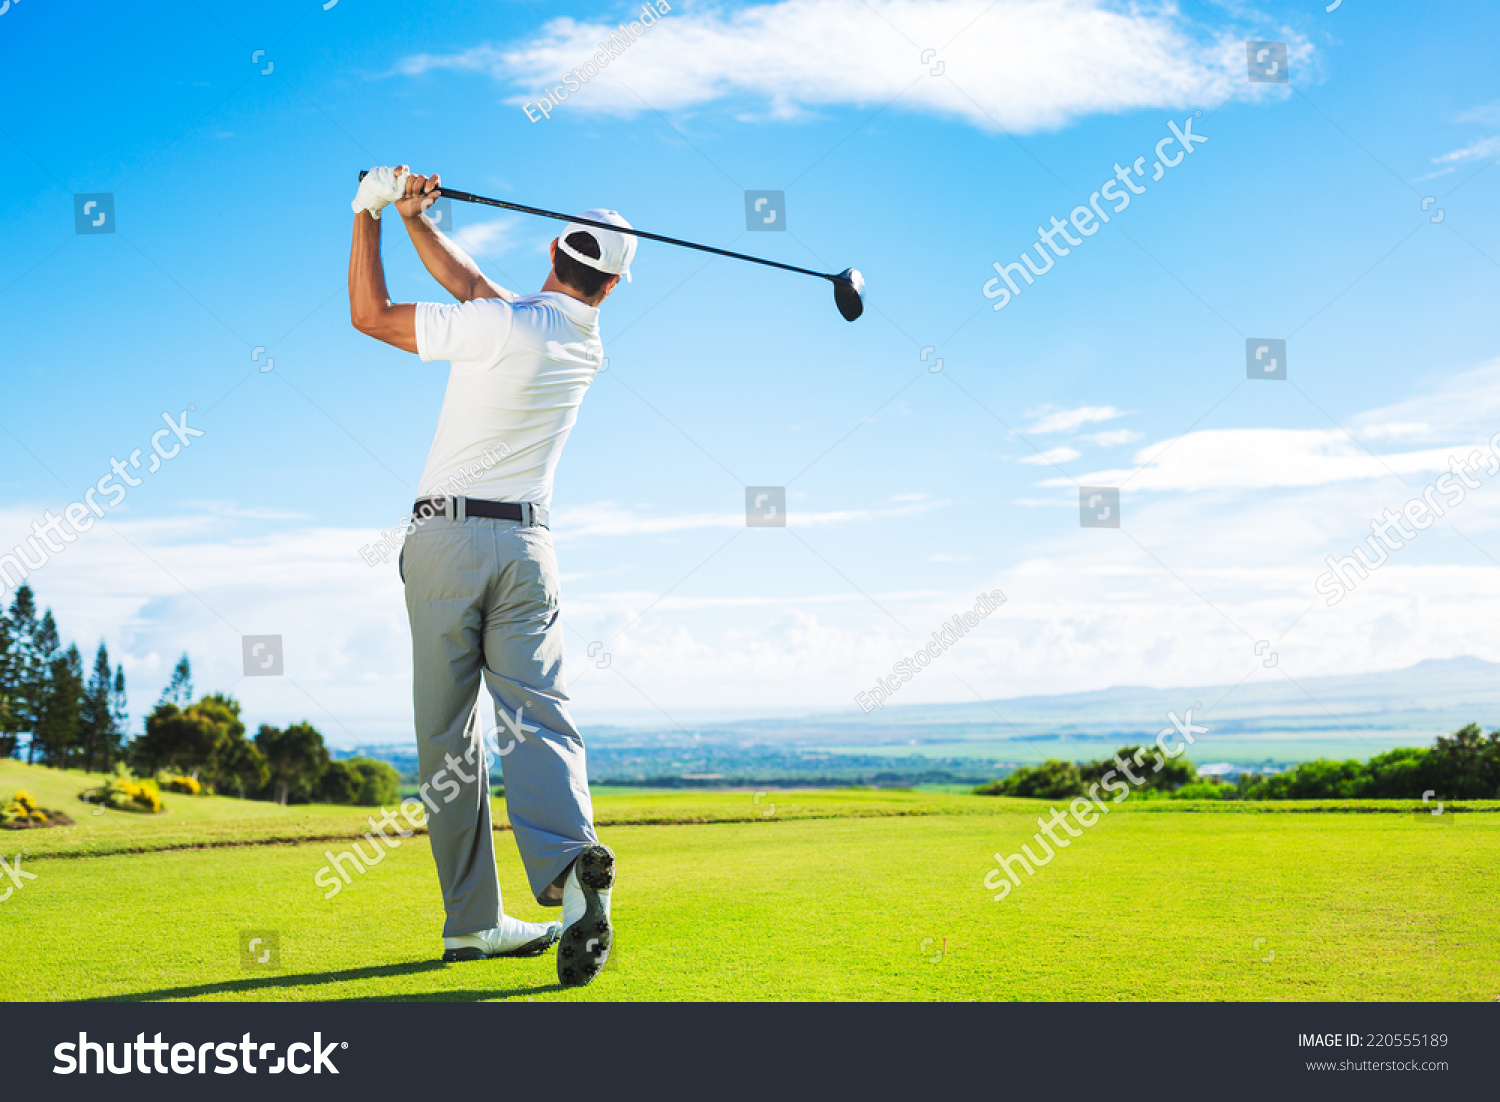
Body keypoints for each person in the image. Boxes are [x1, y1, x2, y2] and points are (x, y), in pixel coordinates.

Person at [347, 165, 627, 987]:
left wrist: (366, 213)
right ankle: (571, 868)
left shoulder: (504, 325)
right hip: (530, 550)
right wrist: (413, 218)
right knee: (538, 718)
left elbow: (370, 315)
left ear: (552, 248)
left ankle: (471, 919)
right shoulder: (579, 341)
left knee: (448, 737)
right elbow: (474, 288)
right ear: (610, 285)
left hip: (445, 543)